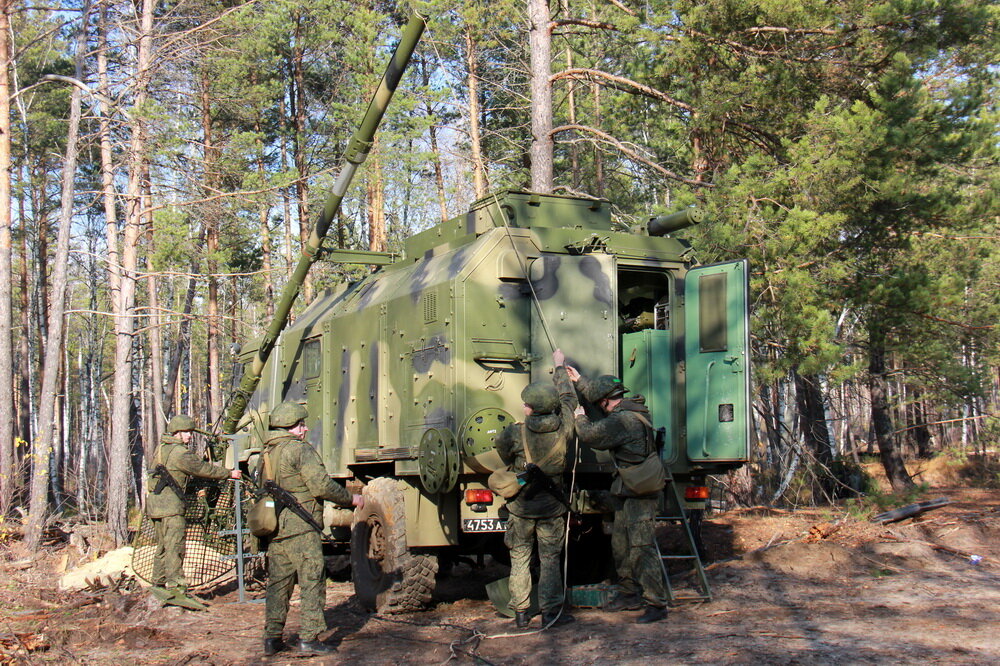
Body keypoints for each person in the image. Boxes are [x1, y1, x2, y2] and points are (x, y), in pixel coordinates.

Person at [260, 401, 364, 657]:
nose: (305, 429)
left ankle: (272, 639)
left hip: (277, 527)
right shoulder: (299, 451)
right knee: (312, 581)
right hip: (301, 526)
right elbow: (321, 486)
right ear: (290, 428)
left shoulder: (267, 452)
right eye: (301, 425)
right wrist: (351, 499)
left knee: (278, 585)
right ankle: (309, 638)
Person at [565, 368, 668, 624]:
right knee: (620, 544)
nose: (602, 407)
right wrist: (580, 381)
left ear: (607, 401)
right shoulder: (632, 410)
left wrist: (579, 417)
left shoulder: (624, 421)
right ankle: (628, 593)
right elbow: (602, 400)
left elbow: (590, 435)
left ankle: (656, 603)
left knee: (641, 548)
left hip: (639, 492)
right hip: (627, 490)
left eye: (602, 403)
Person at [494, 349, 577, 629]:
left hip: (522, 506)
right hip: (552, 507)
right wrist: (559, 366)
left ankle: (520, 612)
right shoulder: (564, 428)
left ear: (529, 408)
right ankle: (552, 611)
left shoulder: (515, 433)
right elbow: (568, 398)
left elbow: (503, 453)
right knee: (551, 559)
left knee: (519, 557)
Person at [146, 414, 241, 609]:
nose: (190, 436)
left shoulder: (161, 448)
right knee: (175, 547)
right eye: (187, 433)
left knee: (163, 546)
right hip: (170, 508)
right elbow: (203, 469)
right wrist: (229, 473)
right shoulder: (181, 453)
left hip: (155, 506)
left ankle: (158, 583)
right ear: (177, 433)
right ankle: (177, 589)